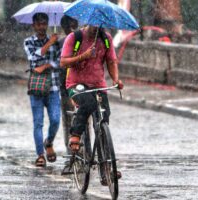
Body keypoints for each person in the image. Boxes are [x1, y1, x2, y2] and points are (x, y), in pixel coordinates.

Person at [60, 25, 123, 184]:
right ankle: (75, 134)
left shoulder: (106, 39)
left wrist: (116, 80)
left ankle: (106, 170)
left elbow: (111, 61)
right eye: (93, 24)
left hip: (98, 84)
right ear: (87, 21)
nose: (96, 27)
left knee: (103, 120)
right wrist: (83, 56)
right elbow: (63, 62)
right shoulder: (75, 38)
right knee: (87, 103)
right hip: (76, 84)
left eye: (99, 24)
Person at [23, 13, 61, 167]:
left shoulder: (56, 42)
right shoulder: (28, 42)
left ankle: (49, 142)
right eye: (38, 24)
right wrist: (48, 44)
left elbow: (60, 61)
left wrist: (46, 66)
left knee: (55, 120)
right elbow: (34, 58)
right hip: (37, 88)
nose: (41, 27)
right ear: (34, 25)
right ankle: (40, 154)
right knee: (38, 123)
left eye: (44, 24)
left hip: (53, 87)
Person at [58, 15, 78, 174]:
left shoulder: (83, 40)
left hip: (82, 86)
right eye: (68, 25)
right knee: (69, 123)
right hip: (66, 88)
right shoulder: (59, 43)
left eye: (74, 24)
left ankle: (85, 153)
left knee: (82, 122)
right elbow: (59, 67)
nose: (71, 28)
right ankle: (70, 157)